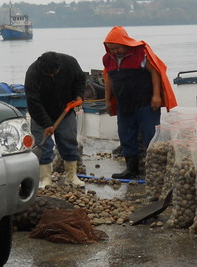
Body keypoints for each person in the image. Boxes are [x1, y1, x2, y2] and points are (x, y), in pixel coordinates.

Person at [102, 26, 177, 179]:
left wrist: (156, 95)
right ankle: (132, 169)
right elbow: (108, 79)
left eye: (116, 47)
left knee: (150, 134)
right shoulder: (107, 58)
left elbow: (155, 72)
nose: (114, 51)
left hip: (145, 102)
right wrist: (108, 100)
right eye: (111, 48)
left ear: (125, 43)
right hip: (124, 104)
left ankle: (155, 170)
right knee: (126, 135)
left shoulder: (140, 53)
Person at [24, 51, 85, 188]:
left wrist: (79, 95)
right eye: (48, 74)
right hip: (40, 113)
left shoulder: (70, 63)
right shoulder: (32, 74)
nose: (51, 75)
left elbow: (80, 80)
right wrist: (46, 124)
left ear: (59, 67)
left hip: (65, 110)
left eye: (54, 73)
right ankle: (45, 179)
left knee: (68, 140)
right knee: (42, 144)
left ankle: (71, 176)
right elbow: (33, 103)